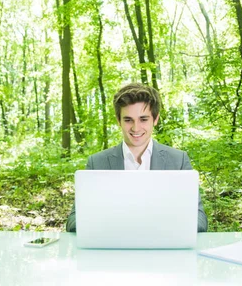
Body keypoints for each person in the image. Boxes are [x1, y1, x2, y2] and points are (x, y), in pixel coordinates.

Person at [66, 82, 208, 232]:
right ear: (118, 120)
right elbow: (73, 221)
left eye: (143, 119)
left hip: (163, 247)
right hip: (115, 247)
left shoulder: (178, 160)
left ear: (155, 119)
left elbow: (199, 219)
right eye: (128, 120)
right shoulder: (97, 162)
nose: (135, 128)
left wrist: (160, 225)